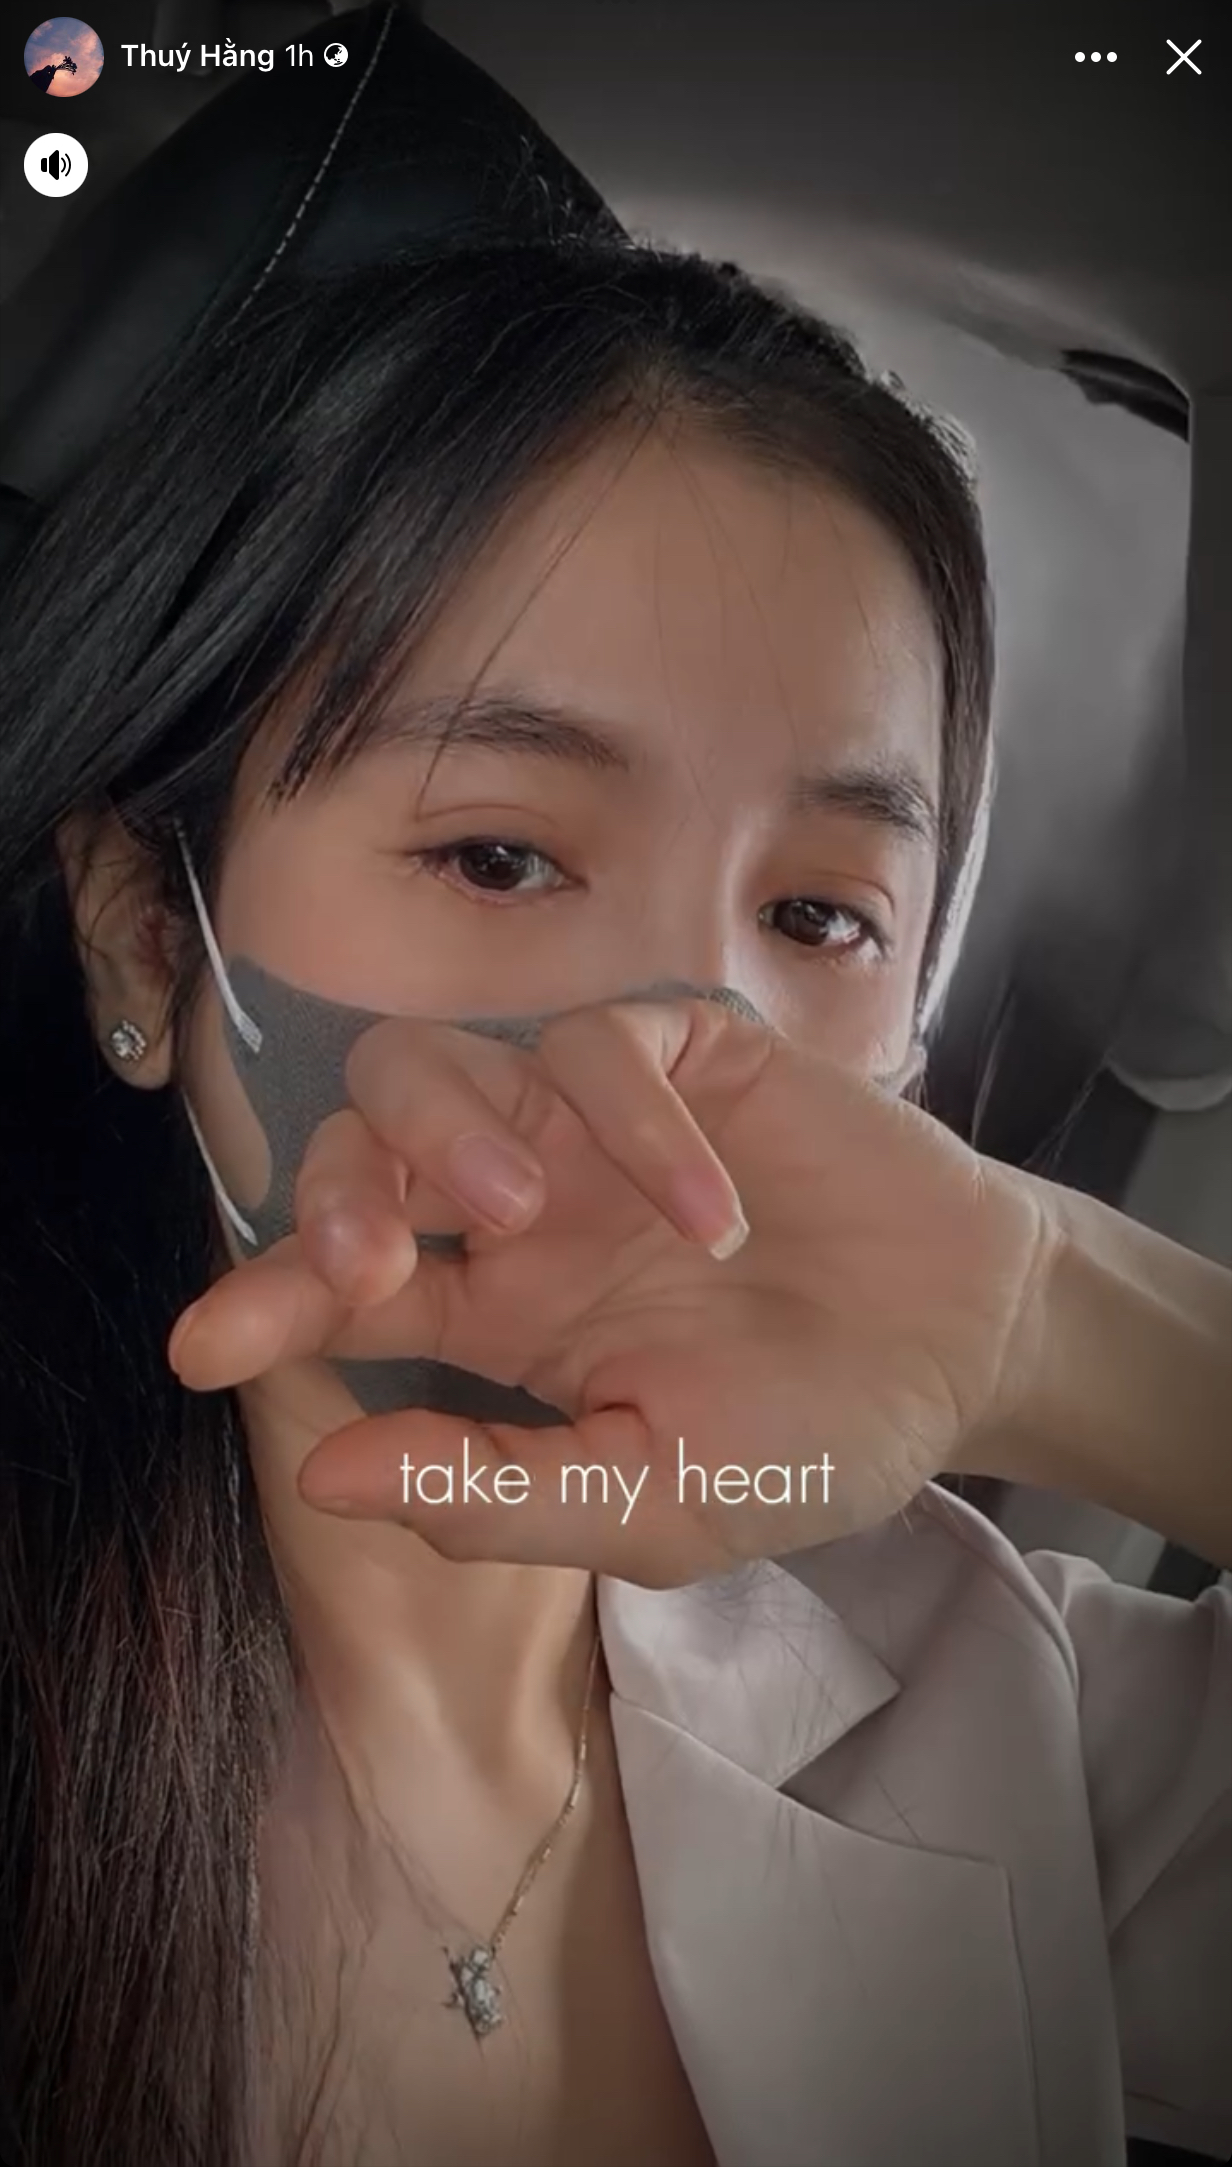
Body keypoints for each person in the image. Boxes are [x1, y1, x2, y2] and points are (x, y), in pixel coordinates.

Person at [2, 74, 1229, 2167]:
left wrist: (1046, 1317)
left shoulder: (992, 1695)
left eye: (820, 916)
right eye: (497, 855)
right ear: (146, 930)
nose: (681, 1045)